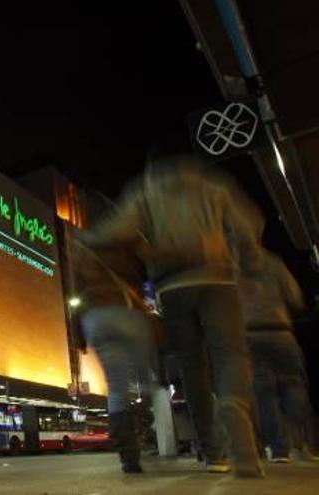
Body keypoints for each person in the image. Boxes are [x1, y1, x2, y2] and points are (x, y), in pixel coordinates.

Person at [83, 153, 264, 478]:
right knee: (230, 353)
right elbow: (249, 225)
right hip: (218, 278)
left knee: (193, 366)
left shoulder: (145, 191)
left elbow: (119, 229)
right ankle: (234, 408)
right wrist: (245, 260)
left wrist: (86, 238)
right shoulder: (213, 186)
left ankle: (213, 453)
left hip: (173, 285)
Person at [74, 239, 159, 473]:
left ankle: (129, 457)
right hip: (125, 314)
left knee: (117, 388)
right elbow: (140, 286)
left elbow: (75, 296)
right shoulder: (125, 252)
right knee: (147, 376)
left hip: (95, 320)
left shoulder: (82, 255)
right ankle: (148, 408)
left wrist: (79, 337)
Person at [238, 245, 318, 462]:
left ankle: (279, 449)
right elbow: (295, 297)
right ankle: (301, 444)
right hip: (280, 331)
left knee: (264, 394)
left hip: (249, 334)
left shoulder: (228, 265)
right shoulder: (272, 262)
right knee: (293, 385)